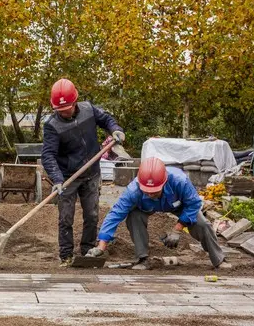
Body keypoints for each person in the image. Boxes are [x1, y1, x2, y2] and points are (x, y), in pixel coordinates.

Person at [86, 157, 232, 270]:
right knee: (133, 216)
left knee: (203, 224)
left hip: (178, 205)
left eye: (154, 190)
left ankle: (219, 260)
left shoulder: (179, 181)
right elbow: (115, 214)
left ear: (165, 181)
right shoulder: (133, 191)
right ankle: (142, 259)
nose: (150, 193)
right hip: (145, 208)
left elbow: (194, 204)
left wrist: (178, 229)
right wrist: (101, 246)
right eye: (147, 191)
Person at [41, 78, 125, 267]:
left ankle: (87, 251)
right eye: (60, 110)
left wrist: (115, 130)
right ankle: (66, 255)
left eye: (67, 108)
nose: (64, 111)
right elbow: (48, 155)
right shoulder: (52, 125)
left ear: (75, 101)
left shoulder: (88, 109)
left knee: (92, 215)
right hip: (68, 178)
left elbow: (107, 120)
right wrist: (56, 178)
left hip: (91, 173)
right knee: (66, 218)